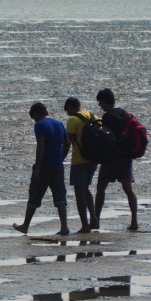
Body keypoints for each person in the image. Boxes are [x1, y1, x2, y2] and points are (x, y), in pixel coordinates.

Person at [13, 102, 70, 235]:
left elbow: (41, 146)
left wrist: (37, 168)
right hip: (58, 166)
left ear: (37, 114)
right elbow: (67, 143)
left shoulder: (40, 125)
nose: (34, 120)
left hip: (45, 166)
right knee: (60, 197)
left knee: (34, 195)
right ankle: (64, 227)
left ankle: (25, 226)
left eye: (34, 118)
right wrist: (61, 158)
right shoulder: (59, 123)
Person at [94, 88, 139, 231]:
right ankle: (134, 221)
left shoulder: (108, 116)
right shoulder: (125, 114)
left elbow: (107, 140)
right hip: (126, 157)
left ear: (104, 101)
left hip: (112, 158)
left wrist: (104, 161)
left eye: (100, 102)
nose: (99, 105)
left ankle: (96, 221)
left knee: (100, 188)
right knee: (128, 189)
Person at [62, 97, 99, 233]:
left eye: (67, 111)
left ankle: (85, 225)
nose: (67, 114)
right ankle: (93, 218)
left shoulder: (73, 120)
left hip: (79, 160)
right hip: (93, 159)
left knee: (79, 192)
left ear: (70, 107)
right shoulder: (93, 116)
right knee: (86, 189)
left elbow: (68, 142)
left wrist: (61, 158)